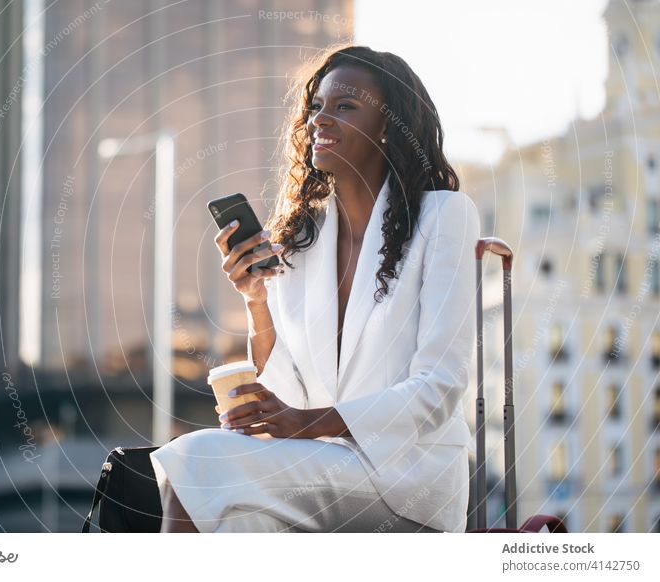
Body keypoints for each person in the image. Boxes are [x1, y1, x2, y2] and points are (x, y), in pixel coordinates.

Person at [149, 44, 480, 533]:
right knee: (239, 525)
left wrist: (307, 423)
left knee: (196, 462)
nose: (320, 120)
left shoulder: (444, 217)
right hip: (321, 470)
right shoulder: (300, 243)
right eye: (316, 107)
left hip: (411, 476)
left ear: (388, 126)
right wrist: (256, 302)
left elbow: (440, 387)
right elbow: (289, 392)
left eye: (344, 107)